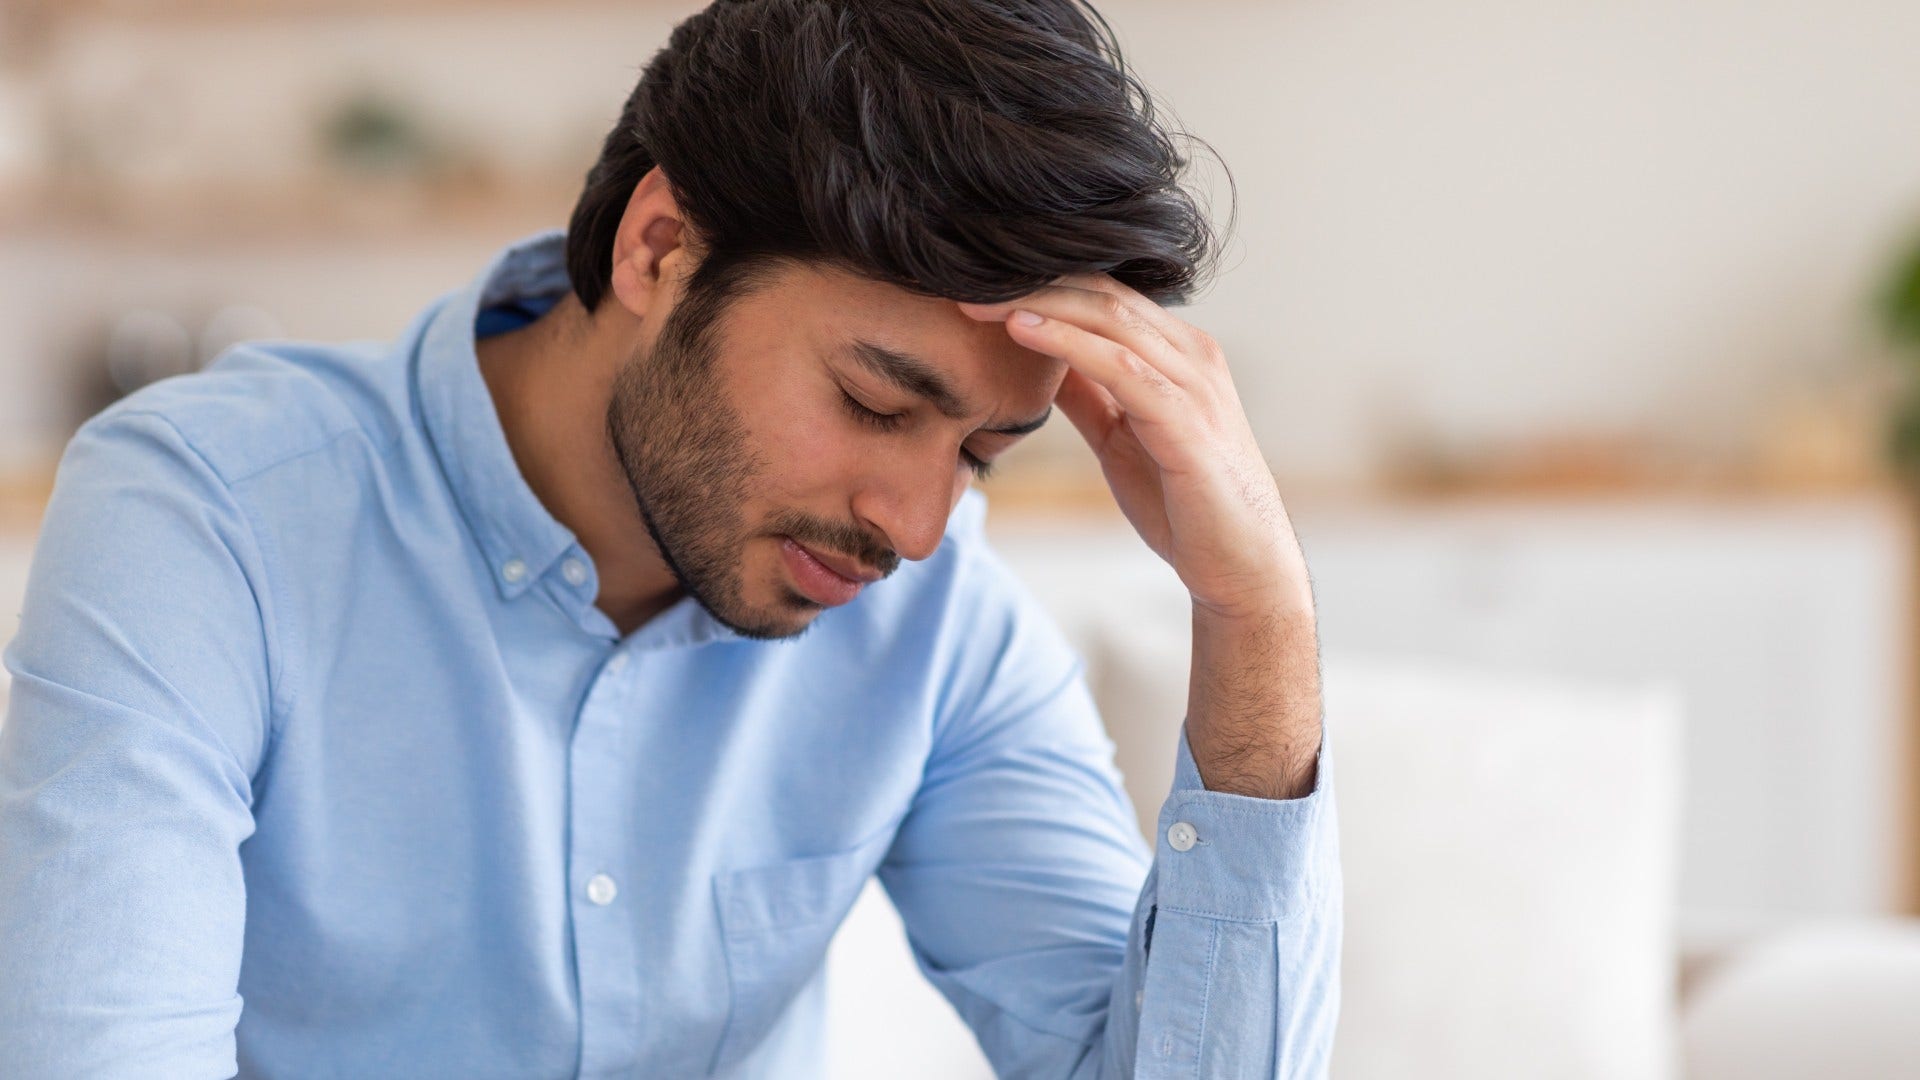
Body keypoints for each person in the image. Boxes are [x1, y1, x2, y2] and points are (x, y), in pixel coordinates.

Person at [0, 1, 1339, 1076]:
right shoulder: (211, 517)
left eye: (982, 455)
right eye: (876, 402)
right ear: (659, 249)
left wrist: (1259, 621)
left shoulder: (937, 636)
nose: (920, 528)